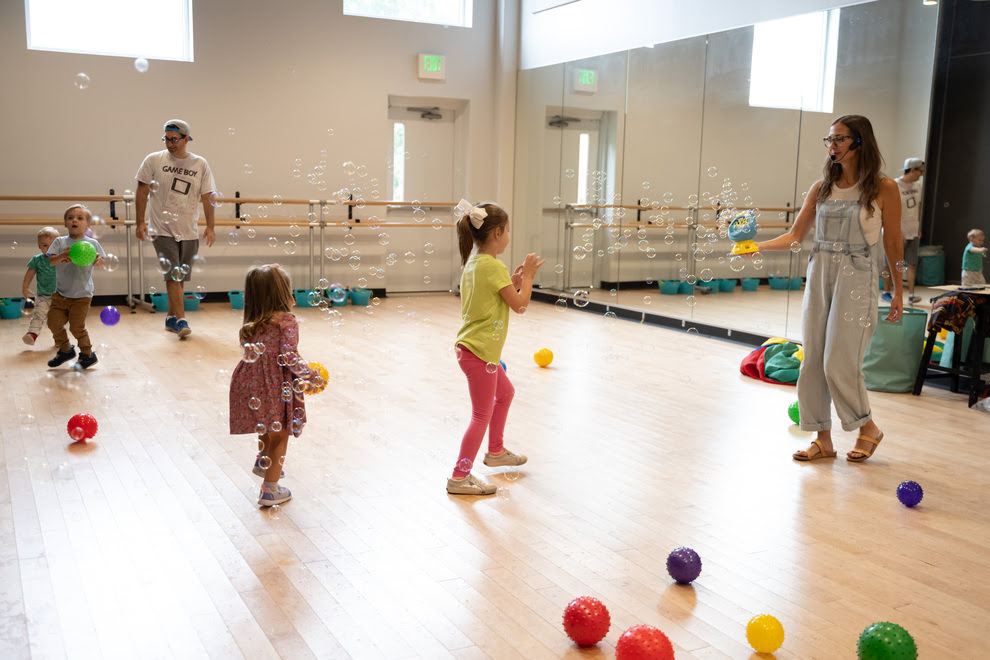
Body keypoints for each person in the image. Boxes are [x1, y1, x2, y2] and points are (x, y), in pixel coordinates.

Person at [757, 115, 903, 462]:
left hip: (858, 276)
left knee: (839, 360)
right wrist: (755, 247)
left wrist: (898, 289)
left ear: (859, 142)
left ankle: (867, 427)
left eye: (839, 138)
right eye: (830, 139)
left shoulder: (884, 188)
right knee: (812, 360)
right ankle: (822, 438)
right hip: (820, 271)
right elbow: (795, 236)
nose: (832, 145)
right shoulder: (821, 187)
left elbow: (894, 241)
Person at [447, 200, 545, 495]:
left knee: (505, 393)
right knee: (481, 415)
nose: (508, 236)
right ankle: (459, 477)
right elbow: (520, 305)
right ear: (498, 233)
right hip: (480, 353)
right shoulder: (494, 266)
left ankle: (496, 451)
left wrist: (512, 282)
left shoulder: (474, 264)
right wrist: (528, 278)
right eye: (508, 230)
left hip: (475, 350)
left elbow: (493, 295)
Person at [229, 264, 311, 507]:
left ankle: (264, 460)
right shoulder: (287, 322)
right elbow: (290, 357)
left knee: (266, 423)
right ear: (282, 294)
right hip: (275, 383)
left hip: (250, 382)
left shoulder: (251, 324)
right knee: (281, 433)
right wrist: (311, 374)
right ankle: (270, 491)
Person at [135, 119, 217, 339]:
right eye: (166, 139)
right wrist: (140, 222)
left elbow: (208, 196)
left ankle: (171, 318)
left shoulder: (200, 164)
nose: (170, 144)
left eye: (174, 139)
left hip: (188, 230)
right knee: (173, 275)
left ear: (186, 139)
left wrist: (210, 226)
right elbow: (142, 190)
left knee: (180, 277)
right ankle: (181, 320)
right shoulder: (153, 160)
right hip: (161, 228)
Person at [47, 205, 106, 370]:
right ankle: (66, 350)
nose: (75, 220)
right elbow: (51, 261)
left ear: (88, 225)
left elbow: (102, 263)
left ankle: (88, 354)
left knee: (76, 327)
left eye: (80, 218)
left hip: (82, 295)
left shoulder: (92, 243)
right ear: (65, 223)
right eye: (70, 218)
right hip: (60, 294)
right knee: (53, 323)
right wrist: (62, 255)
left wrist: (98, 260)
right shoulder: (60, 242)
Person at [882, 158, 924, 304]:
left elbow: (918, 207)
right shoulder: (894, 185)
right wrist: (897, 231)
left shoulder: (918, 186)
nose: (921, 174)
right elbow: (889, 210)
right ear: (912, 170)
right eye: (920, 171)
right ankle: (886, 292)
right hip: (895, 231)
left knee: (911, 263)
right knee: (891, 263)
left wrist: (918, 227)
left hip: (913, 230)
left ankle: (911, 294)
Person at [21, 226, 60, 346]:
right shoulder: (37, 260)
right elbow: (29, 274)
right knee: (38, 315)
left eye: (52, 245)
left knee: (57, 320)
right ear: (39, 246)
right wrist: (25, 287)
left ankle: (59, 339)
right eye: (45, 245)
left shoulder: (61, 259)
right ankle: (32, 334)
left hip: (59, 296)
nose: (49, 249)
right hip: (43, 295)